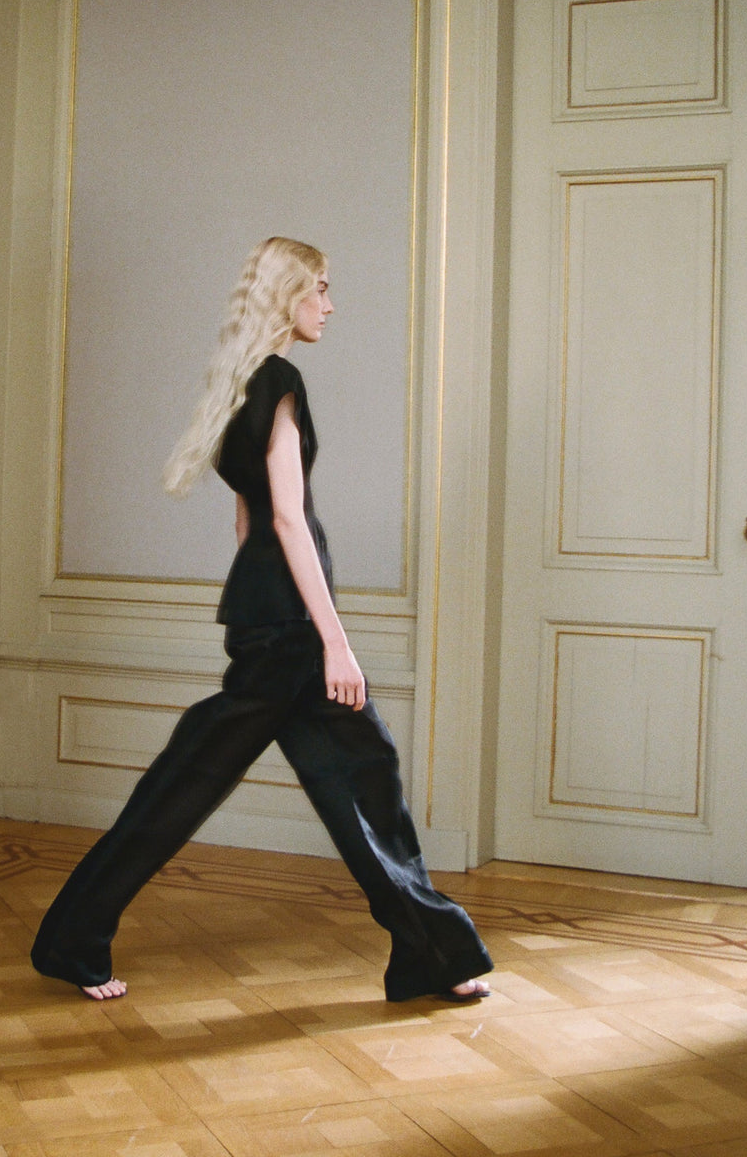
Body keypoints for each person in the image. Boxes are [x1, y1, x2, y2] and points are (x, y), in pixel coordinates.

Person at [31, 237, 492, 1003]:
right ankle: (431, 953)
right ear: (288, 297)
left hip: (265, 617)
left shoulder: (242, 381)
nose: (330, 305)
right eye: (320, 289)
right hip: (291, 631)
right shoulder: (279, 381)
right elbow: (285, 518)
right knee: (343, 779)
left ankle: (428, 953)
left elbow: (247, 524)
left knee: (311, 778)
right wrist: (335, 643)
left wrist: (265, 613)